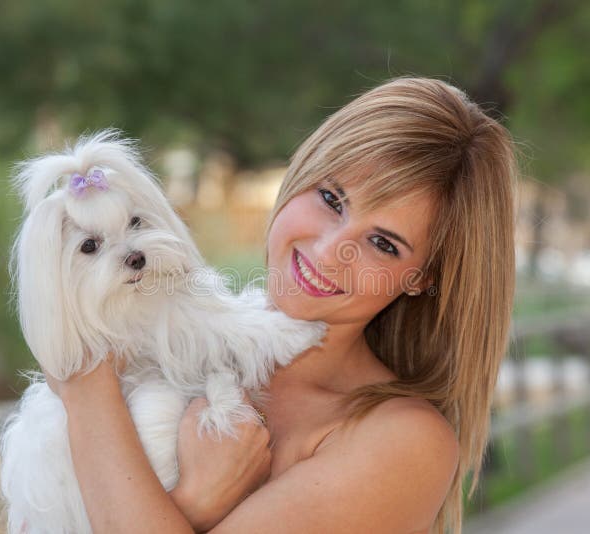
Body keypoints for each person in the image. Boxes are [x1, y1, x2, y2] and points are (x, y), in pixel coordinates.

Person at [44, 77, 518, 534]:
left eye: (382, 243)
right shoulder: (167, 338)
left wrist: (83, 385)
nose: (331, 251)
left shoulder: (406, 444)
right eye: (332, 199)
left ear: (422, 278)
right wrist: (192, 503)